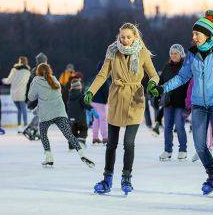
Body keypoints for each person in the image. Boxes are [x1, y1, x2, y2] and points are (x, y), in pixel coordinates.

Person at [148, 10, 213, 196]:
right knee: (199, 145)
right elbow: (182, 77)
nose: (194, 37)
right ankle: (211, 175)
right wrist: (163, 88)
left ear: (207, 34)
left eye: (197, 34)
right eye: (193, 34)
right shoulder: (192, 55)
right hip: (198, 105)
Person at [84, 22, 159, 195]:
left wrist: (153, 85)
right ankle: (107, 179)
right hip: (117, 97)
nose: (124, 40)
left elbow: (153, 75)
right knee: (111, 143)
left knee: (129, 143)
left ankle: (126, 178)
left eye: (128, 37)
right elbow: (103, 74)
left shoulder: (142, 52)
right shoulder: (112, 51)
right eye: (122, 36)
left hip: (135, 98)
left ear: (135, 37)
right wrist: (91, 91)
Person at [28, 63, 94, 168]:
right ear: (49, 71)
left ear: (38, 72)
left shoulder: (36, 81)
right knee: (69, 134)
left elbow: (31, 97)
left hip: (45, 115)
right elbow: (58, 92)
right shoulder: (54, 79)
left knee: (44, 135)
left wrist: (33, 85)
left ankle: (49, 157)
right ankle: (82, 154)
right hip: (59, 112)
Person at [158, 44, 190, 161]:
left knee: (180, 126)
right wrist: (157, 93)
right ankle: (168, 150)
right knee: (167, 127)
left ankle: (183, 150)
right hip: (168, 102)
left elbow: (189, 85)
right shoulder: (167, 67)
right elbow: (161, 82)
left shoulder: (186, 67)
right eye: (171, 53)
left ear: (181, 54)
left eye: (175, 53)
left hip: (181, 102)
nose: (173, 55)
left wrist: (188, 103)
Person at [67, 77, 99, 149]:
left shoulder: (69, 96)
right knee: (83, 128)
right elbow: (86, 104)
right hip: (80, 117)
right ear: (79, 87)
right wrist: (92, 109)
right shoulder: (81, 96)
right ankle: (81, 142)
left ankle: (71, 145)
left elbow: (67, 106)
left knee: (72, 131)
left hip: (70, 118)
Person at [2, 56, 31, 133]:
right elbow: (29, 83)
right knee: (23, 110)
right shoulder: (27, 72)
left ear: (19, 62)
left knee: (19, 110)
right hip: (22, 94)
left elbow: (8, 81)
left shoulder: (14, 70)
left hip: (14, 94)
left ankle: (19, 126)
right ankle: (25, 125)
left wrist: (3, 80)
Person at [23, 52, 48, 141]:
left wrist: (26, 96)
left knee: (41, 112)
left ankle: (35, 129)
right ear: (43, 61)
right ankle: (30, 127)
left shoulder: (34, 70)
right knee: (40, 112)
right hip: (37, 96)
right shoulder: (41, 70)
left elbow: (28, 84)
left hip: (34, 96)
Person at [91, 61, 110, 144]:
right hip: (100, 102)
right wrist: (107, 100)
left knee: (96, 120)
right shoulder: (103, 79)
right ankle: (105, 137)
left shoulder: (95, 78)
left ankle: (95, 137)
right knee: (103, 120)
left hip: (93, 101)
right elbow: (106, 92)